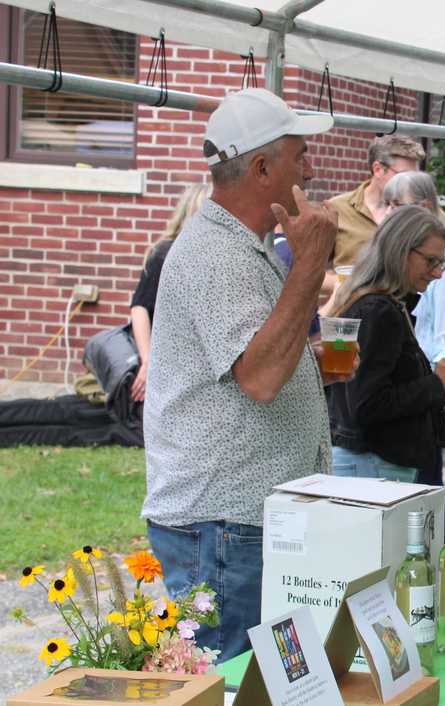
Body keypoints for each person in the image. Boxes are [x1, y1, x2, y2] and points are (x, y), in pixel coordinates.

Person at [142, 88, 345, 661]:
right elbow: (259, 378)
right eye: (300, 155)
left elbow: (262, 365)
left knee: (262, 699)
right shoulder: (215, 255)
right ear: (261, 168)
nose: (310, 168)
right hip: (222, 527)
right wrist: (308, 264)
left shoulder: (242, 249)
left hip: (236, 525)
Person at [325, 205, 445, 484]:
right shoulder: (377, 311)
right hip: (373, 465)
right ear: (399, 250)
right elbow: (366, 405)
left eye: (441, 263)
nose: (437, 273)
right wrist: (437, 384)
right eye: (430, 261)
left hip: (375, 463)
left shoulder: (380, 304)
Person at [327, 134, 445, 284]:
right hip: (351, 312)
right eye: (403, 174)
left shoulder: (424, 212)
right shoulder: (337, 209)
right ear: (377, 169)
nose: (410, 182)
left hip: (404, 313)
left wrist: (436, 293)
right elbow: (308, 270)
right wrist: (348, 287)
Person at [129, 183, 210, 403]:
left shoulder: (211, 258)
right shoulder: (165, 254)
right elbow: (139, 308)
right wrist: (148, 363)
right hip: (163, 362)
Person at [381, 171, 445, 366]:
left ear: (424, 207)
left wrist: (436, 386)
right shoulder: (402, 256)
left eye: (396, 204)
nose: (387, 213)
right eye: (386, 204)